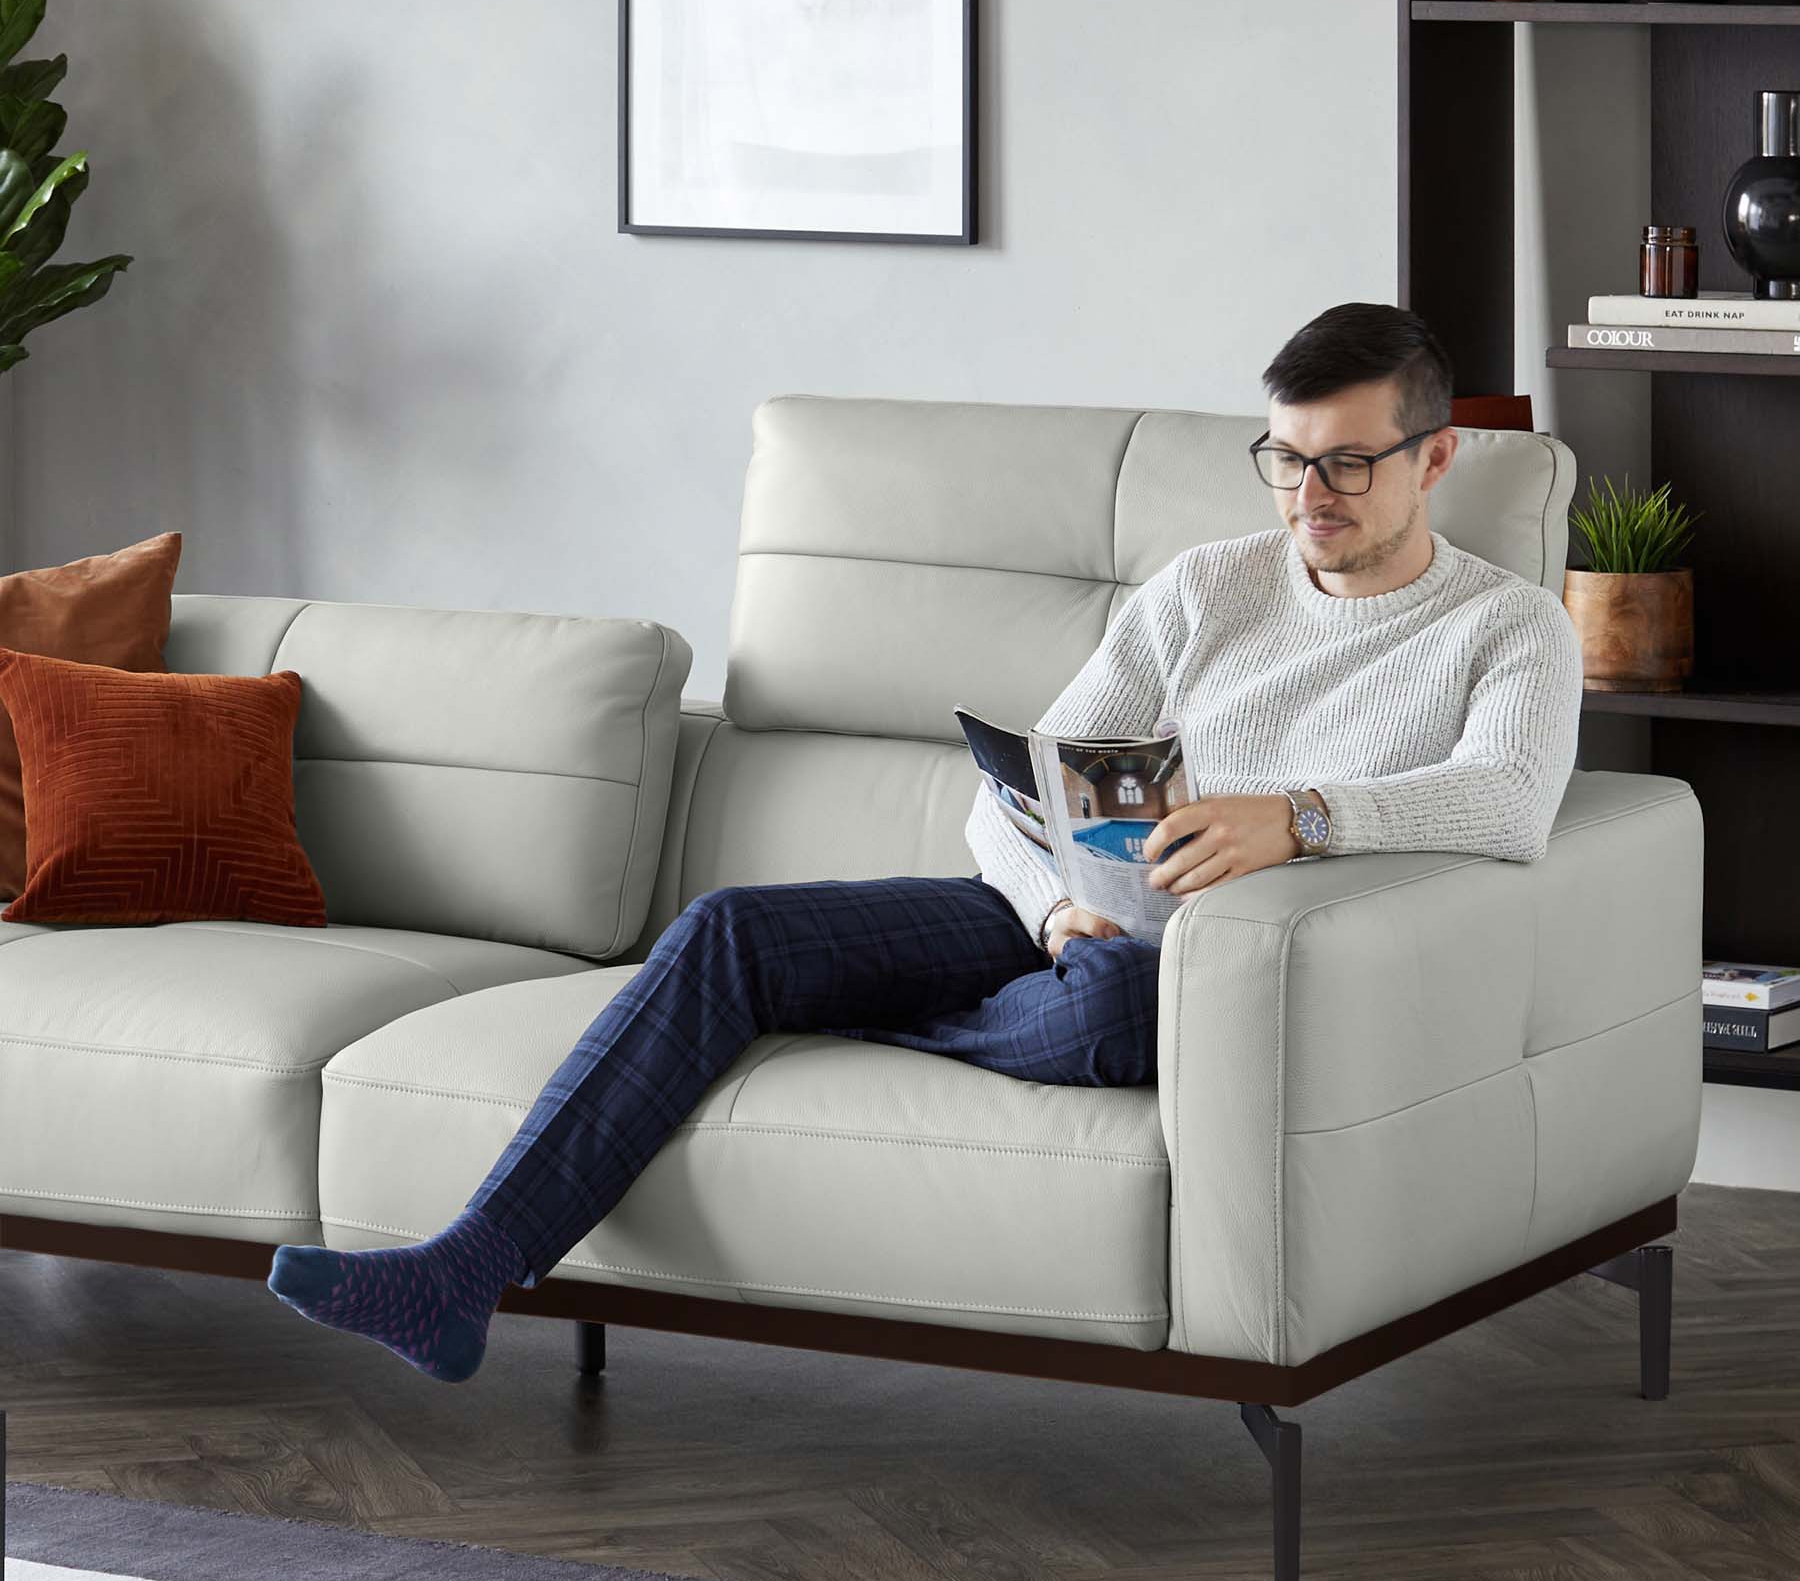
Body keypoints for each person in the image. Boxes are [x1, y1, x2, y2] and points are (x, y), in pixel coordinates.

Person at [267, 301, 1584, 1382]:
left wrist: (1294, 820)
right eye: (1289, 459)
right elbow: (1023, 782)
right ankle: (464, 1268)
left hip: (1212, 969)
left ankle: (825, 1016)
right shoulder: (1206, 587)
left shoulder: (1506, 627)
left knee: (1123, 1001)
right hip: (1064, 924)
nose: (1312, 495)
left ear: (1435, 455)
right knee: (730, 929)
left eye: (1348, 462)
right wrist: (1049, 903)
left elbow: (1507, 803)